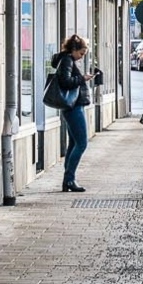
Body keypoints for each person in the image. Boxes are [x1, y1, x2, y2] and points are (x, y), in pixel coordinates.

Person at [51, 35, 93, 192]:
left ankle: (68, 179)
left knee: (74, 143)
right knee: (81, 143)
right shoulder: (67, 60)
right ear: (74, 49)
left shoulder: (66, 59)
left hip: (72, 106)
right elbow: (66, 82)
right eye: (81, 53)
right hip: (73, 107)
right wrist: (82, 78)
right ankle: (69, 179)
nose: (82, 57)